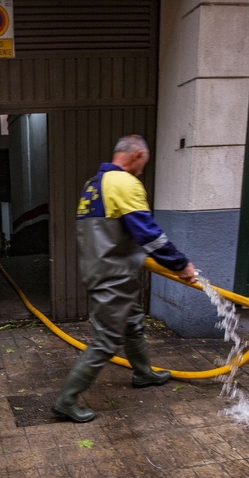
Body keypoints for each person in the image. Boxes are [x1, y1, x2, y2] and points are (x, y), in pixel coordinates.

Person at [52, 135, 197, 423]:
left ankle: (143, 373)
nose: (142, 169)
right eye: (143, 162)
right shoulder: (125, 183)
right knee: (106, 341)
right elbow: (148, 233)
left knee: (133, 323)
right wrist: (180, 264)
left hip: (107, 270)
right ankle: (66, 401)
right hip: (114, 276)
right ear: (136, 156)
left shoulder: (92, 185)